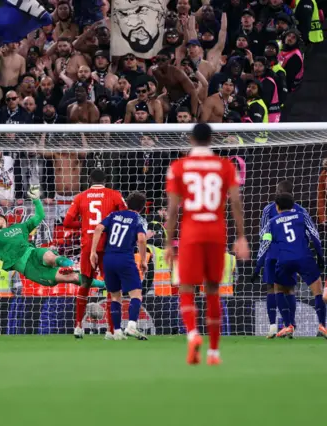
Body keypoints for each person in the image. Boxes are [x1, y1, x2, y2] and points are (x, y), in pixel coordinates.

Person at [164, 123, 249, 365]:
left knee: (186, 287)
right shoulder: (225, 166)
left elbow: (172, 210)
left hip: (191, 232)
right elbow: (235, 203)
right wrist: (241, 236)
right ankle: (213, 353)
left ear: (191, 139)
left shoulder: (178, 167)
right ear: (211, 139)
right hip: (216, 230)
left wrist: (169, 242)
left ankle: (192, 334)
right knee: (212, 289)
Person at [0, 186, 102, 288]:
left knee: (49, 256)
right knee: (74, 279)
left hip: (33, 253)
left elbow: (40, 216)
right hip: (28, 269)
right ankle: (106, 285)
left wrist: (36, 199)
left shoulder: (19, 227)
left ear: (3, 219)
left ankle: (70, 265)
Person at [63, 169, 127, 339]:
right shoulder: (114, 195)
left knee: (85, 283)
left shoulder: (80, 197)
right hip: (108, 245)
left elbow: (67, 222)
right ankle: (110, 330)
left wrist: (83, 224)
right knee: (111, 286)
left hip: (87, 245)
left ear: (89, 180)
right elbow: (125, 215)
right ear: (105, 180)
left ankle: (78, 326)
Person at [255, 192, 326, 339]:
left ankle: (288, 325)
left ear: (277, 206)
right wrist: (320, 256)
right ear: (293, 205)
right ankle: (322, 325)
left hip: (284, 259)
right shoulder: (301, 215)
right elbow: (314, 235)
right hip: (304, 257)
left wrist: (257, 267)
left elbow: (265, 244)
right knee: (318, 291)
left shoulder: (272, 222)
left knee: (278, 288)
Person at [91, 192, 149, 341]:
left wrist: (93, 252)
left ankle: (117, 331)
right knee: (136, 294)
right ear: (142, 208)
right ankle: (131, 326)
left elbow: (98, 229)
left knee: (115, 296)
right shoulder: (138, 219)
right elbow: (141, 239)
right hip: (125, 259)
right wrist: (143, 260)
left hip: (108, 259)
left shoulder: (114, 215)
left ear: (127, 203)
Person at [152, 49, 200, 120]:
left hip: (185, 99)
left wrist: (194, 115)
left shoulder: (177, 73)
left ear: (169, 61)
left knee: (175, 117)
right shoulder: (156, 71)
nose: (160, 62)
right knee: (155, 102)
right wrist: (155, 95)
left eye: (163, 60)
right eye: (158, 60)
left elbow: (193, 93)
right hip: (171, 98)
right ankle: (158, 129)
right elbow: (161, 82)